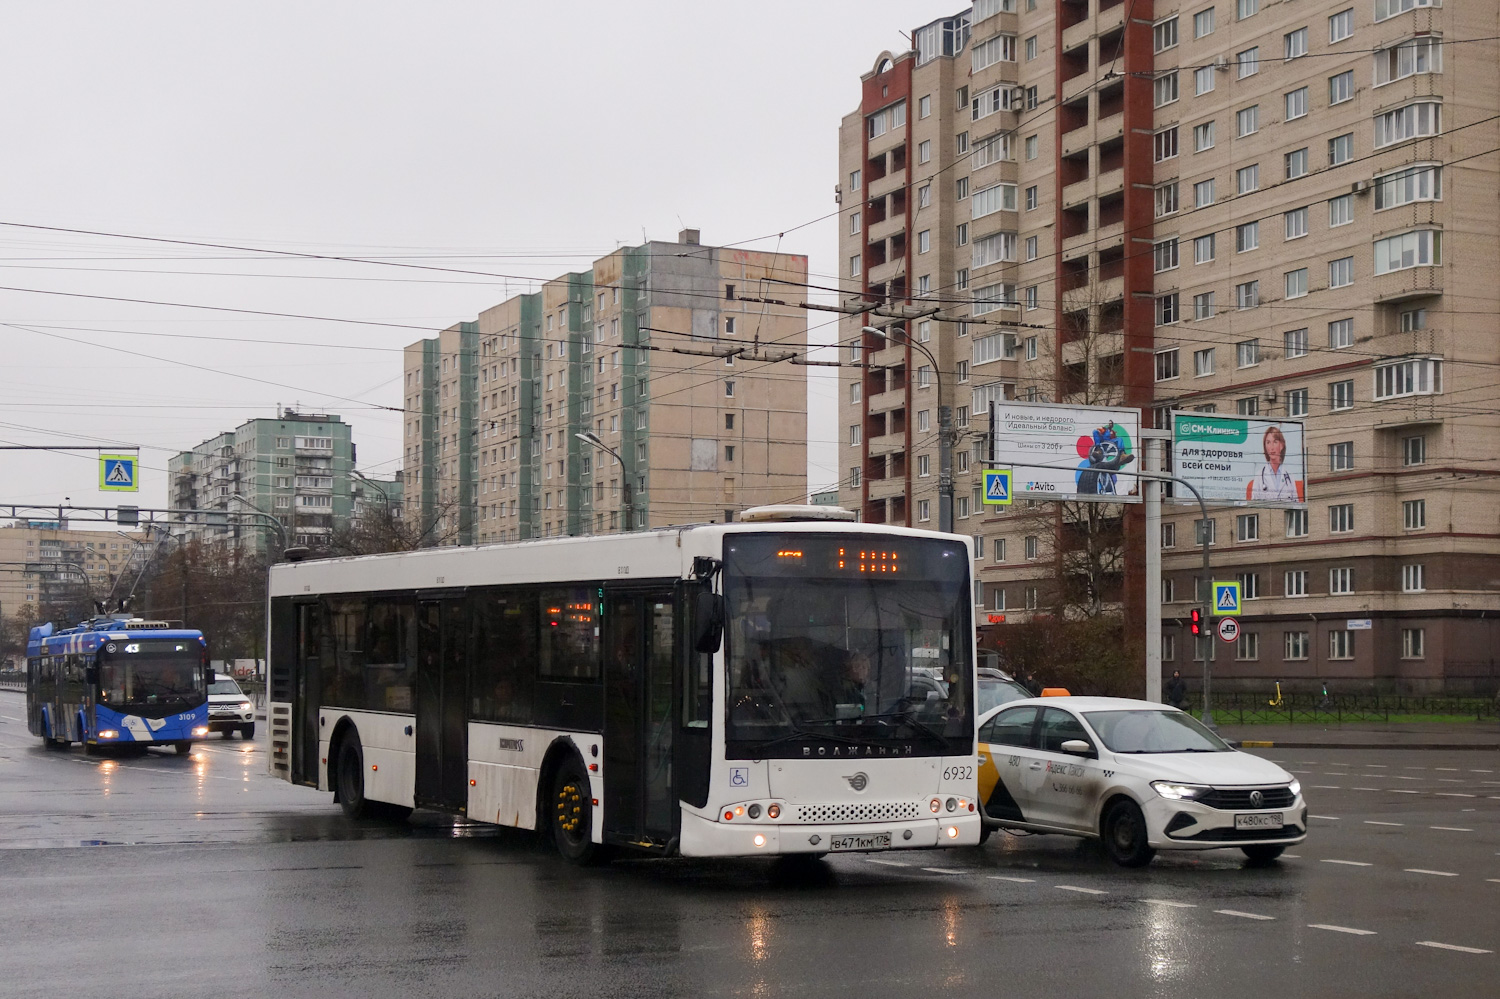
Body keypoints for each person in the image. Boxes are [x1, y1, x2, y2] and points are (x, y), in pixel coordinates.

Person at [1247, 425, 1304, 502]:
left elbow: (1296, 504)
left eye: (1275, 442)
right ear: (1265, 446)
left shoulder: (1289, 477)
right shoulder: (1259, 476)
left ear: (1281, 445)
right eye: (1268, 442)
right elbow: (1253, 504)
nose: (1271, 447)